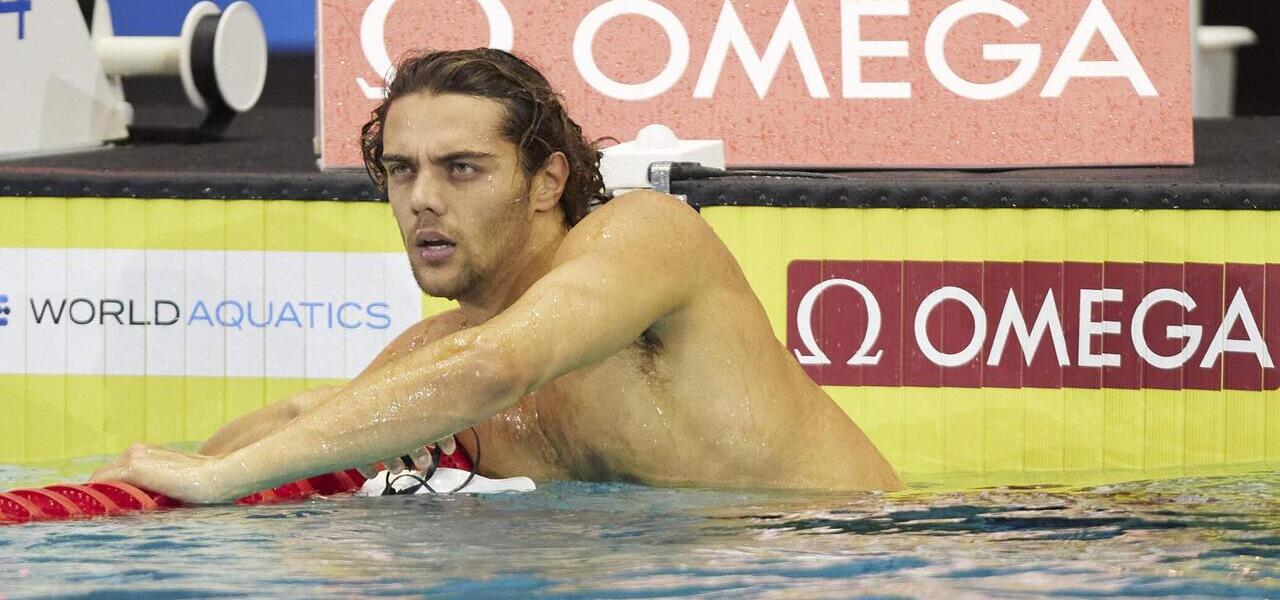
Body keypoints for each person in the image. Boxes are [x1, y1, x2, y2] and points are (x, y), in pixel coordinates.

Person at [91, 49, 900, 502]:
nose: (422, 198)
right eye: (401, 170)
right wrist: (133, 494)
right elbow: (320, 418)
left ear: (547, 182)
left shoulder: (647, 237)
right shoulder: (442, 355)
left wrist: (221, 477)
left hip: (855, 558)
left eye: (462, 168)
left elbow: (496, 366)